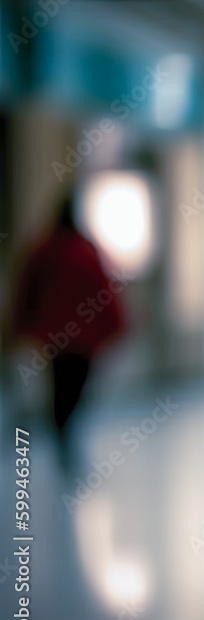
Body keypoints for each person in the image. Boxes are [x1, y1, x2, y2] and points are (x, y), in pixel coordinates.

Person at [11, 192, 125, 474]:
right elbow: (104, 293)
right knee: (71, 391)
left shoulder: (45, 251)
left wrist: (20, 327)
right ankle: (64, 434)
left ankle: (63, 433)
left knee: (64, 390)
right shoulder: (79, 251)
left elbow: (27, 293)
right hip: (78, 341)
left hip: (57, 339)